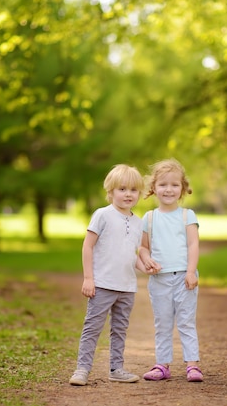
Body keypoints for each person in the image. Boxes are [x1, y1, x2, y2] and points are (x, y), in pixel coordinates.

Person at [69, 164, 150, 386]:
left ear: (139, 194)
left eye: (133, 190)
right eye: (122, 189)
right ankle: (82, 369)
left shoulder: (137, 222)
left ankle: (116, 368)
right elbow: (88, 246)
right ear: (111, 191)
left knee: (120, 330)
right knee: (92, 327)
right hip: (102, 284)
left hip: (127, 287)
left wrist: (146, 268)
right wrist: (88, 278)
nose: (128, 194)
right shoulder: (102, 215)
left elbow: (130, 254)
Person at [138, 158, 203, 383]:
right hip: (159, 280)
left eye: (175, 185)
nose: (169, 189)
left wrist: (191, 271)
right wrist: (147, 260)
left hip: (184, 277)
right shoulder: (149, 218)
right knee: (162, 322)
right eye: (163, 184)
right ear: (154, 188)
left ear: (183, 188)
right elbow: (143, 247)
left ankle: (192, 365)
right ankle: (162, 365)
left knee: (186, 321)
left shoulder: (187, 216)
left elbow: (193, 245)